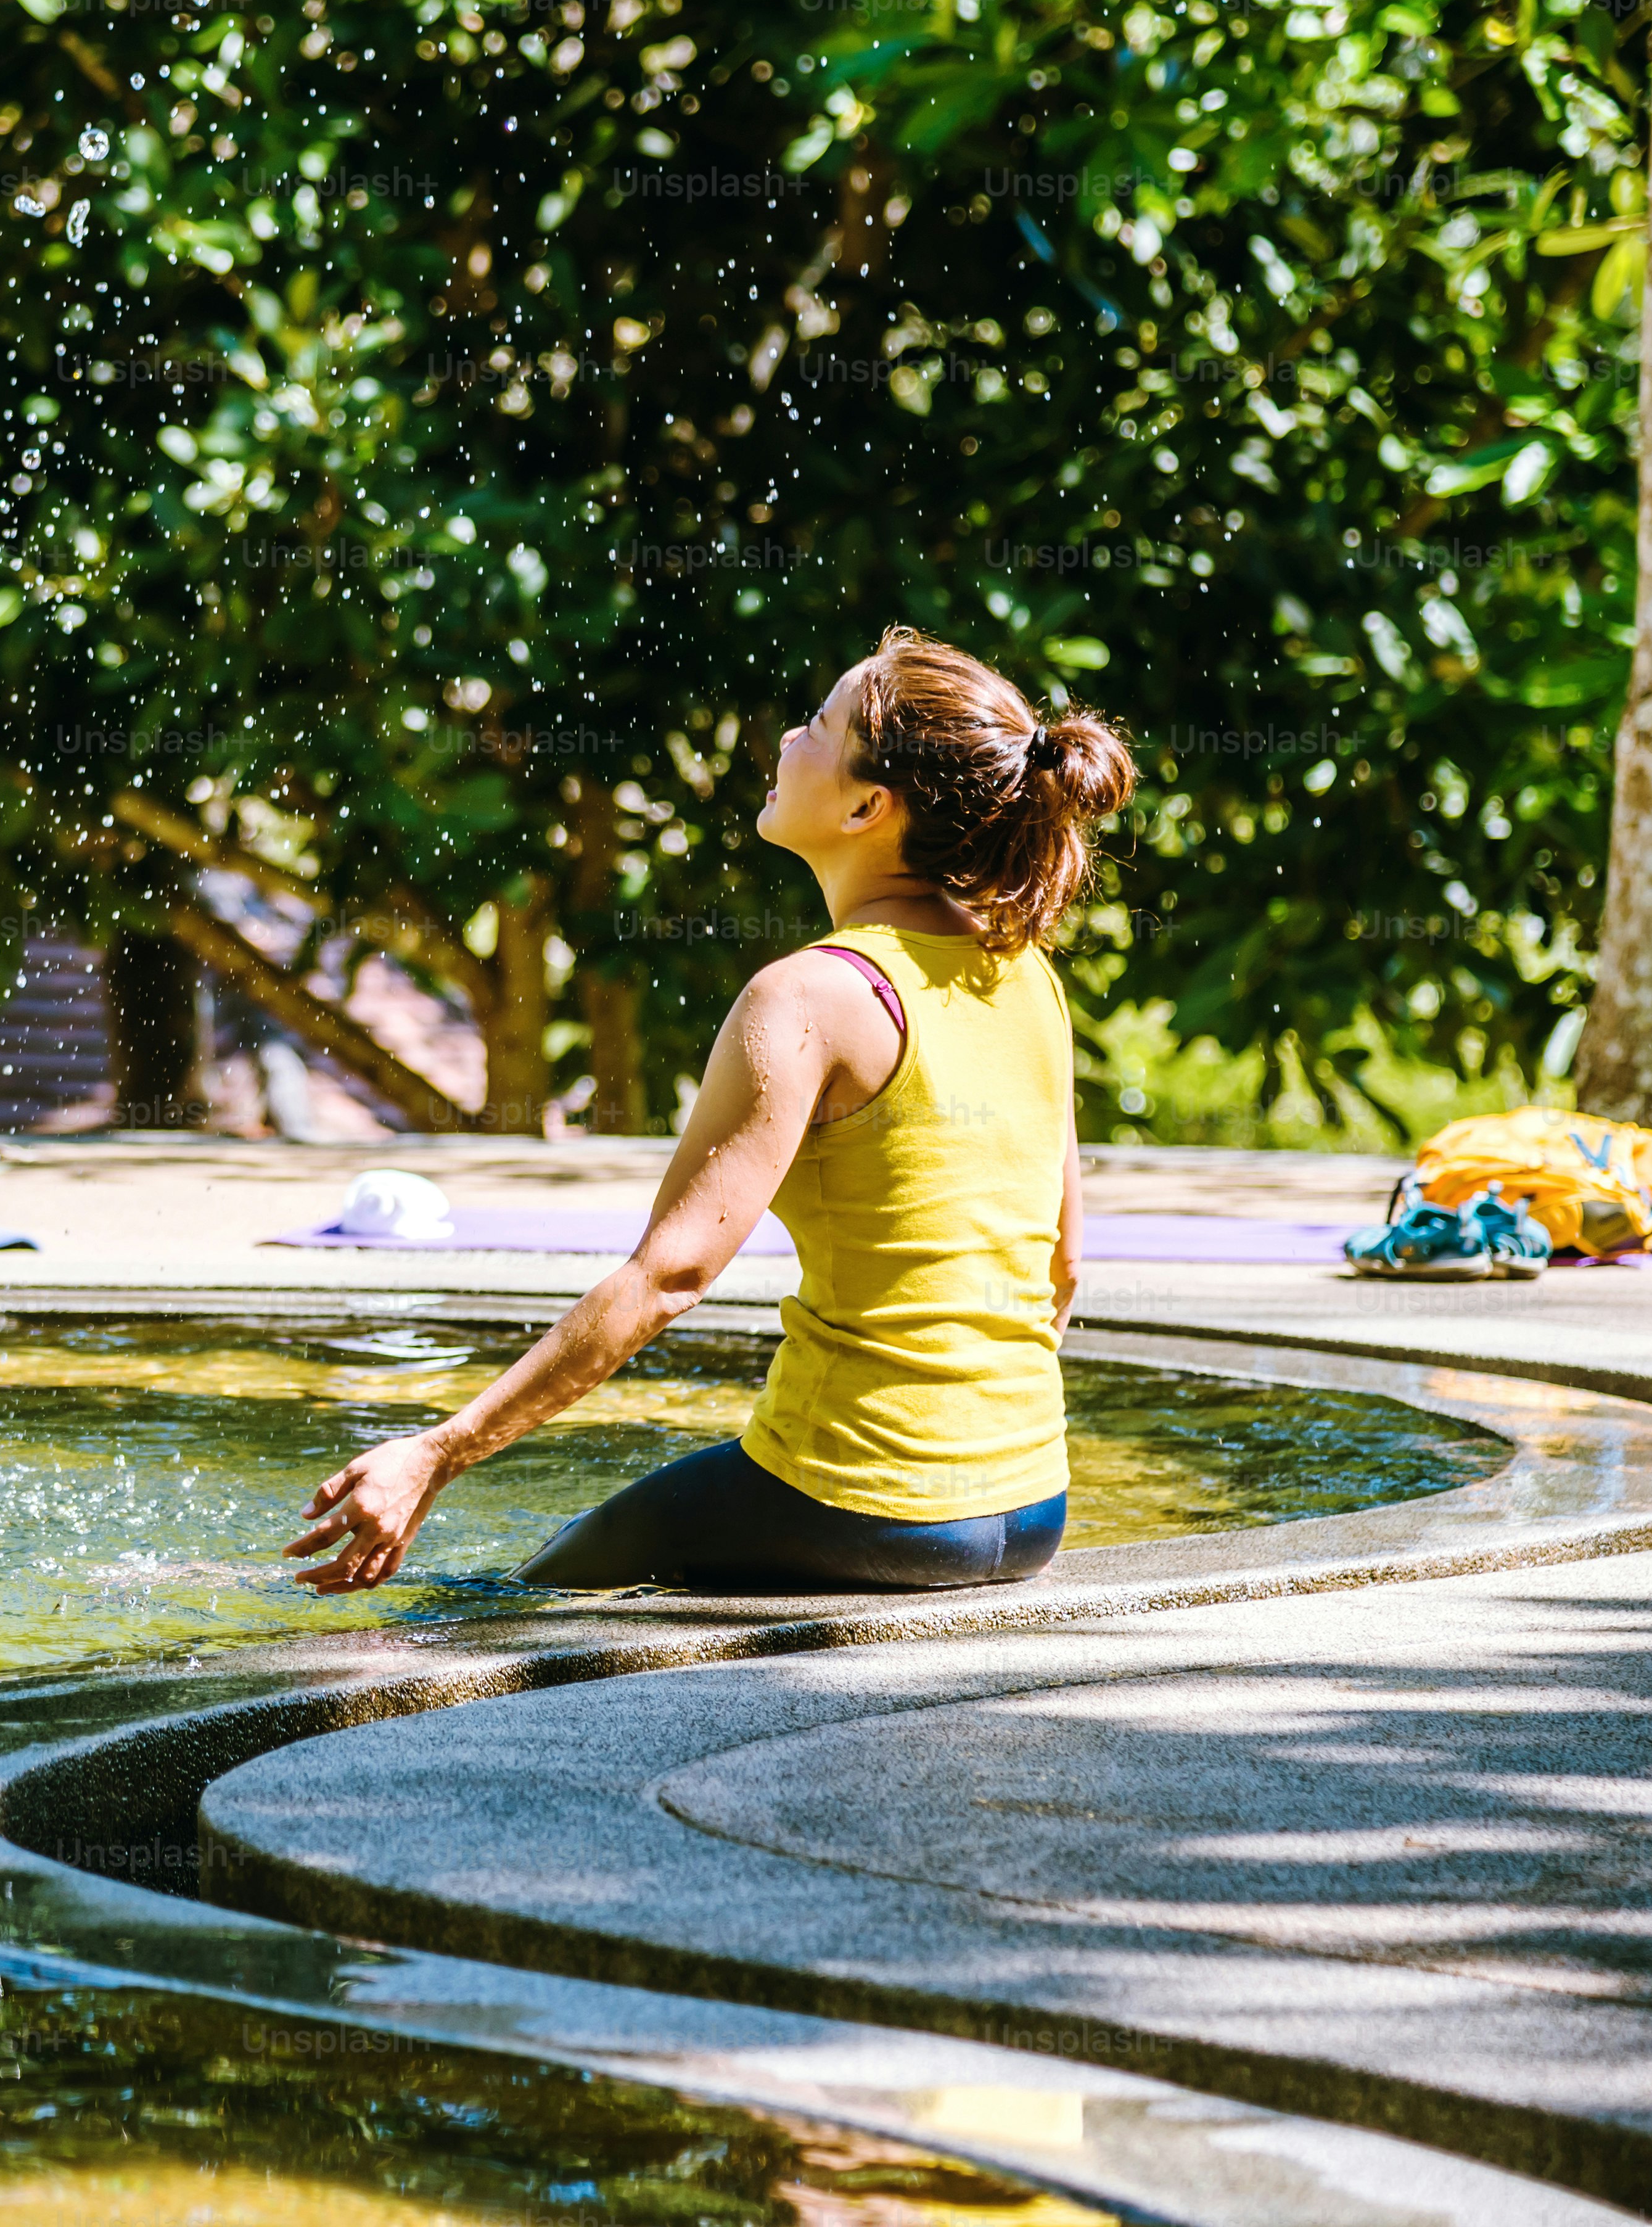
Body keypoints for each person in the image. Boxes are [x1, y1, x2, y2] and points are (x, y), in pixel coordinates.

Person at [286, 628, 1138, 1595]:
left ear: (869, 804)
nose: (785, 740)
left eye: (818, 727)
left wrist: (437, 1452)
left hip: (864, 1501)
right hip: (1032, 1509)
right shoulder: (1026, 974)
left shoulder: (811, 998)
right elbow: (1063, 1261)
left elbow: (671, 1276)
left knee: (501, 1608)